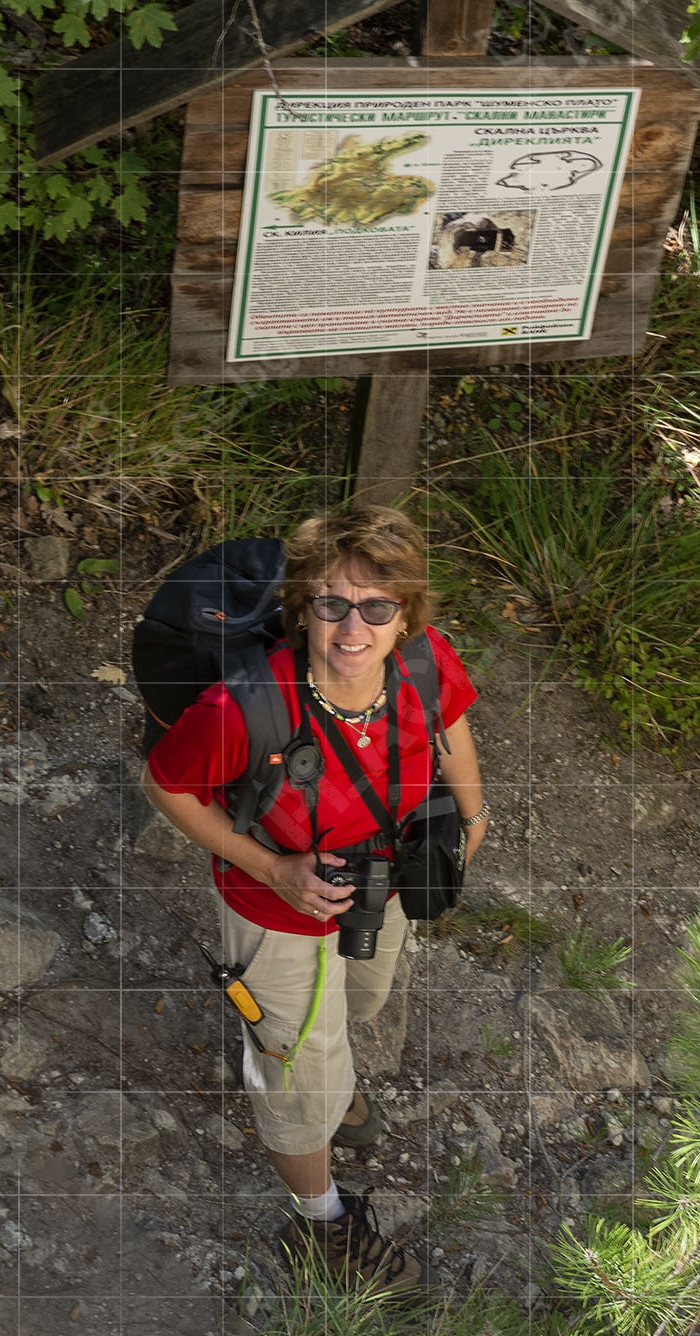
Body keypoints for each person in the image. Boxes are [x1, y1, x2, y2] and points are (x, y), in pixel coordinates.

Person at [142, 505, 489, 1289]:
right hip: (274, 907)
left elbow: (453, 722)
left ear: (407, 615)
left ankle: (332, 1085)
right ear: (303, 611)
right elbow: (165, 783)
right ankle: (322, 1221)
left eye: (377, 606)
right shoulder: (243, 706)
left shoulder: (425, 660)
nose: (353, 628)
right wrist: (272, 869)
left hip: (385, 877)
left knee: (361, 1000)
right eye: (331, 603)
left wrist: (474, 815)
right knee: (299, 1070)